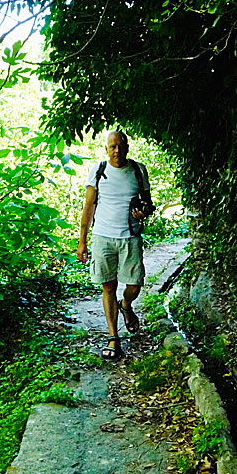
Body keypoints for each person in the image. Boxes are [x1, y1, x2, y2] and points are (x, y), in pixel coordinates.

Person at [76, 130, 154, 360]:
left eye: (120, 146)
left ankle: (126, 305)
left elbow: (148, 203)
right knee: (108, 287)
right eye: (112, 147)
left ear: (127, 147)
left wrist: (143, 212)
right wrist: (82, 240)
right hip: (102, 237)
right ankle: (113, 338)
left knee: (134, 284)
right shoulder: (98, 171)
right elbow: (88, 206)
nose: (117, 151)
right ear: (106, 149)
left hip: (130, 236)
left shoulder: (138, 171)